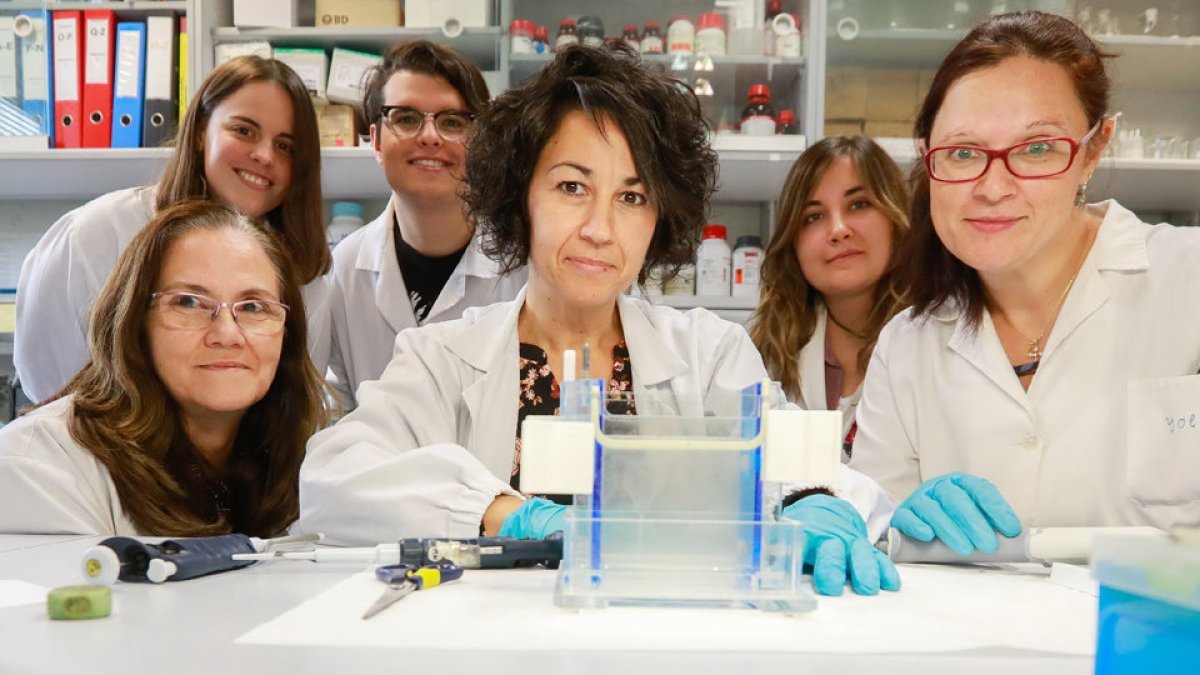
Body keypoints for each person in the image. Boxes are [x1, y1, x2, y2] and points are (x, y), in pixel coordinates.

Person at [297, 45, 896, 597]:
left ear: (658, 218)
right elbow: (333, 478)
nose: (600, 228)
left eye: (632, 197)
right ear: (520, 198)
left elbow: (808, 464)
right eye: (572, 186)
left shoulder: (707, 354)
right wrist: (504, 512)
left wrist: (815, 501)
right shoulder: (442, 356)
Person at [849, 11, 1200, 557]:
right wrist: (891, 524)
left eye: (1037, 149)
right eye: (963, 153)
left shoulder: (1188, 282)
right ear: (927, 158)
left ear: (1093, 150)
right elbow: (873, 535)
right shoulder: (907, 346)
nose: (992, 187)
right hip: (968, 641)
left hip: (1163, 636)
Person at [0, 201, 329, 536]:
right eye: (188, 302)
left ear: (288, 334)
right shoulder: (40, 466)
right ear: (134, 322)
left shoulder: (299, 467)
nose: (227, 334)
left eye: (254, 307)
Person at [15, 55, 331, 403]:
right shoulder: (96, 235)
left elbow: (296, 402)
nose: (264, 155)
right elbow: (50, 382)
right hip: (99, 452)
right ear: (200, 132)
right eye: (244, 130)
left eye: (285, 146)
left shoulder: (303, 271)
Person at [327, 40, 526, 410]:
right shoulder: (345, 269)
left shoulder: (523, 268)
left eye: (452, 122)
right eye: (406, 118)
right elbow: (336, 407)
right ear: (376, 142)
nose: (430, 136)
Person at [749, 136, 909, 459]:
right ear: (792, 245)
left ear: (896, 218)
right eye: (813, 216)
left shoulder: (937, 344)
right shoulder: (767, 354)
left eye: (858, 204)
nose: (838, 229)